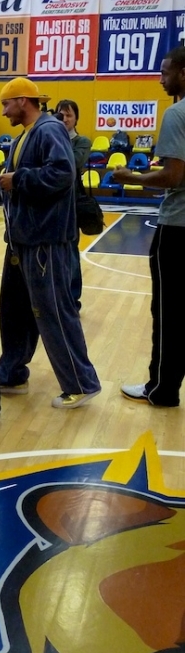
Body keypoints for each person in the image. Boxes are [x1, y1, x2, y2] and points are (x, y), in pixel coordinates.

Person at [0, 77, 101, 409]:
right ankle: (11, 372)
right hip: (21, 239)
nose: (3, 112)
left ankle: (81, 383)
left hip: (44, 240)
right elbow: (8, 182)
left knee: (53, 311)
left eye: (6, 104)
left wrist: (19, 179)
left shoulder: (49, 130)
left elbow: (63, 174)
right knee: (14, 311)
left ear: (23, 100)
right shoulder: (25, 135)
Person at [113, 46, 185, 406]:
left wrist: (132, 177)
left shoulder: (176, 113)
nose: (161, 79)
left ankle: (162, 389)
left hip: (177, 227)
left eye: (165, 72)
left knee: (168, 311)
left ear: (183, 74)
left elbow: (173, 176)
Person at [54, 99, 92, 308]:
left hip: (72, 204)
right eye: (61, 115)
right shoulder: (51, 138)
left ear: (76, 118)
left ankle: (72, 298)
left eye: (69, 115)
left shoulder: (82, 141)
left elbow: (72, 164)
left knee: (70, 251)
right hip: (51, 203)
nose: (65, 119)